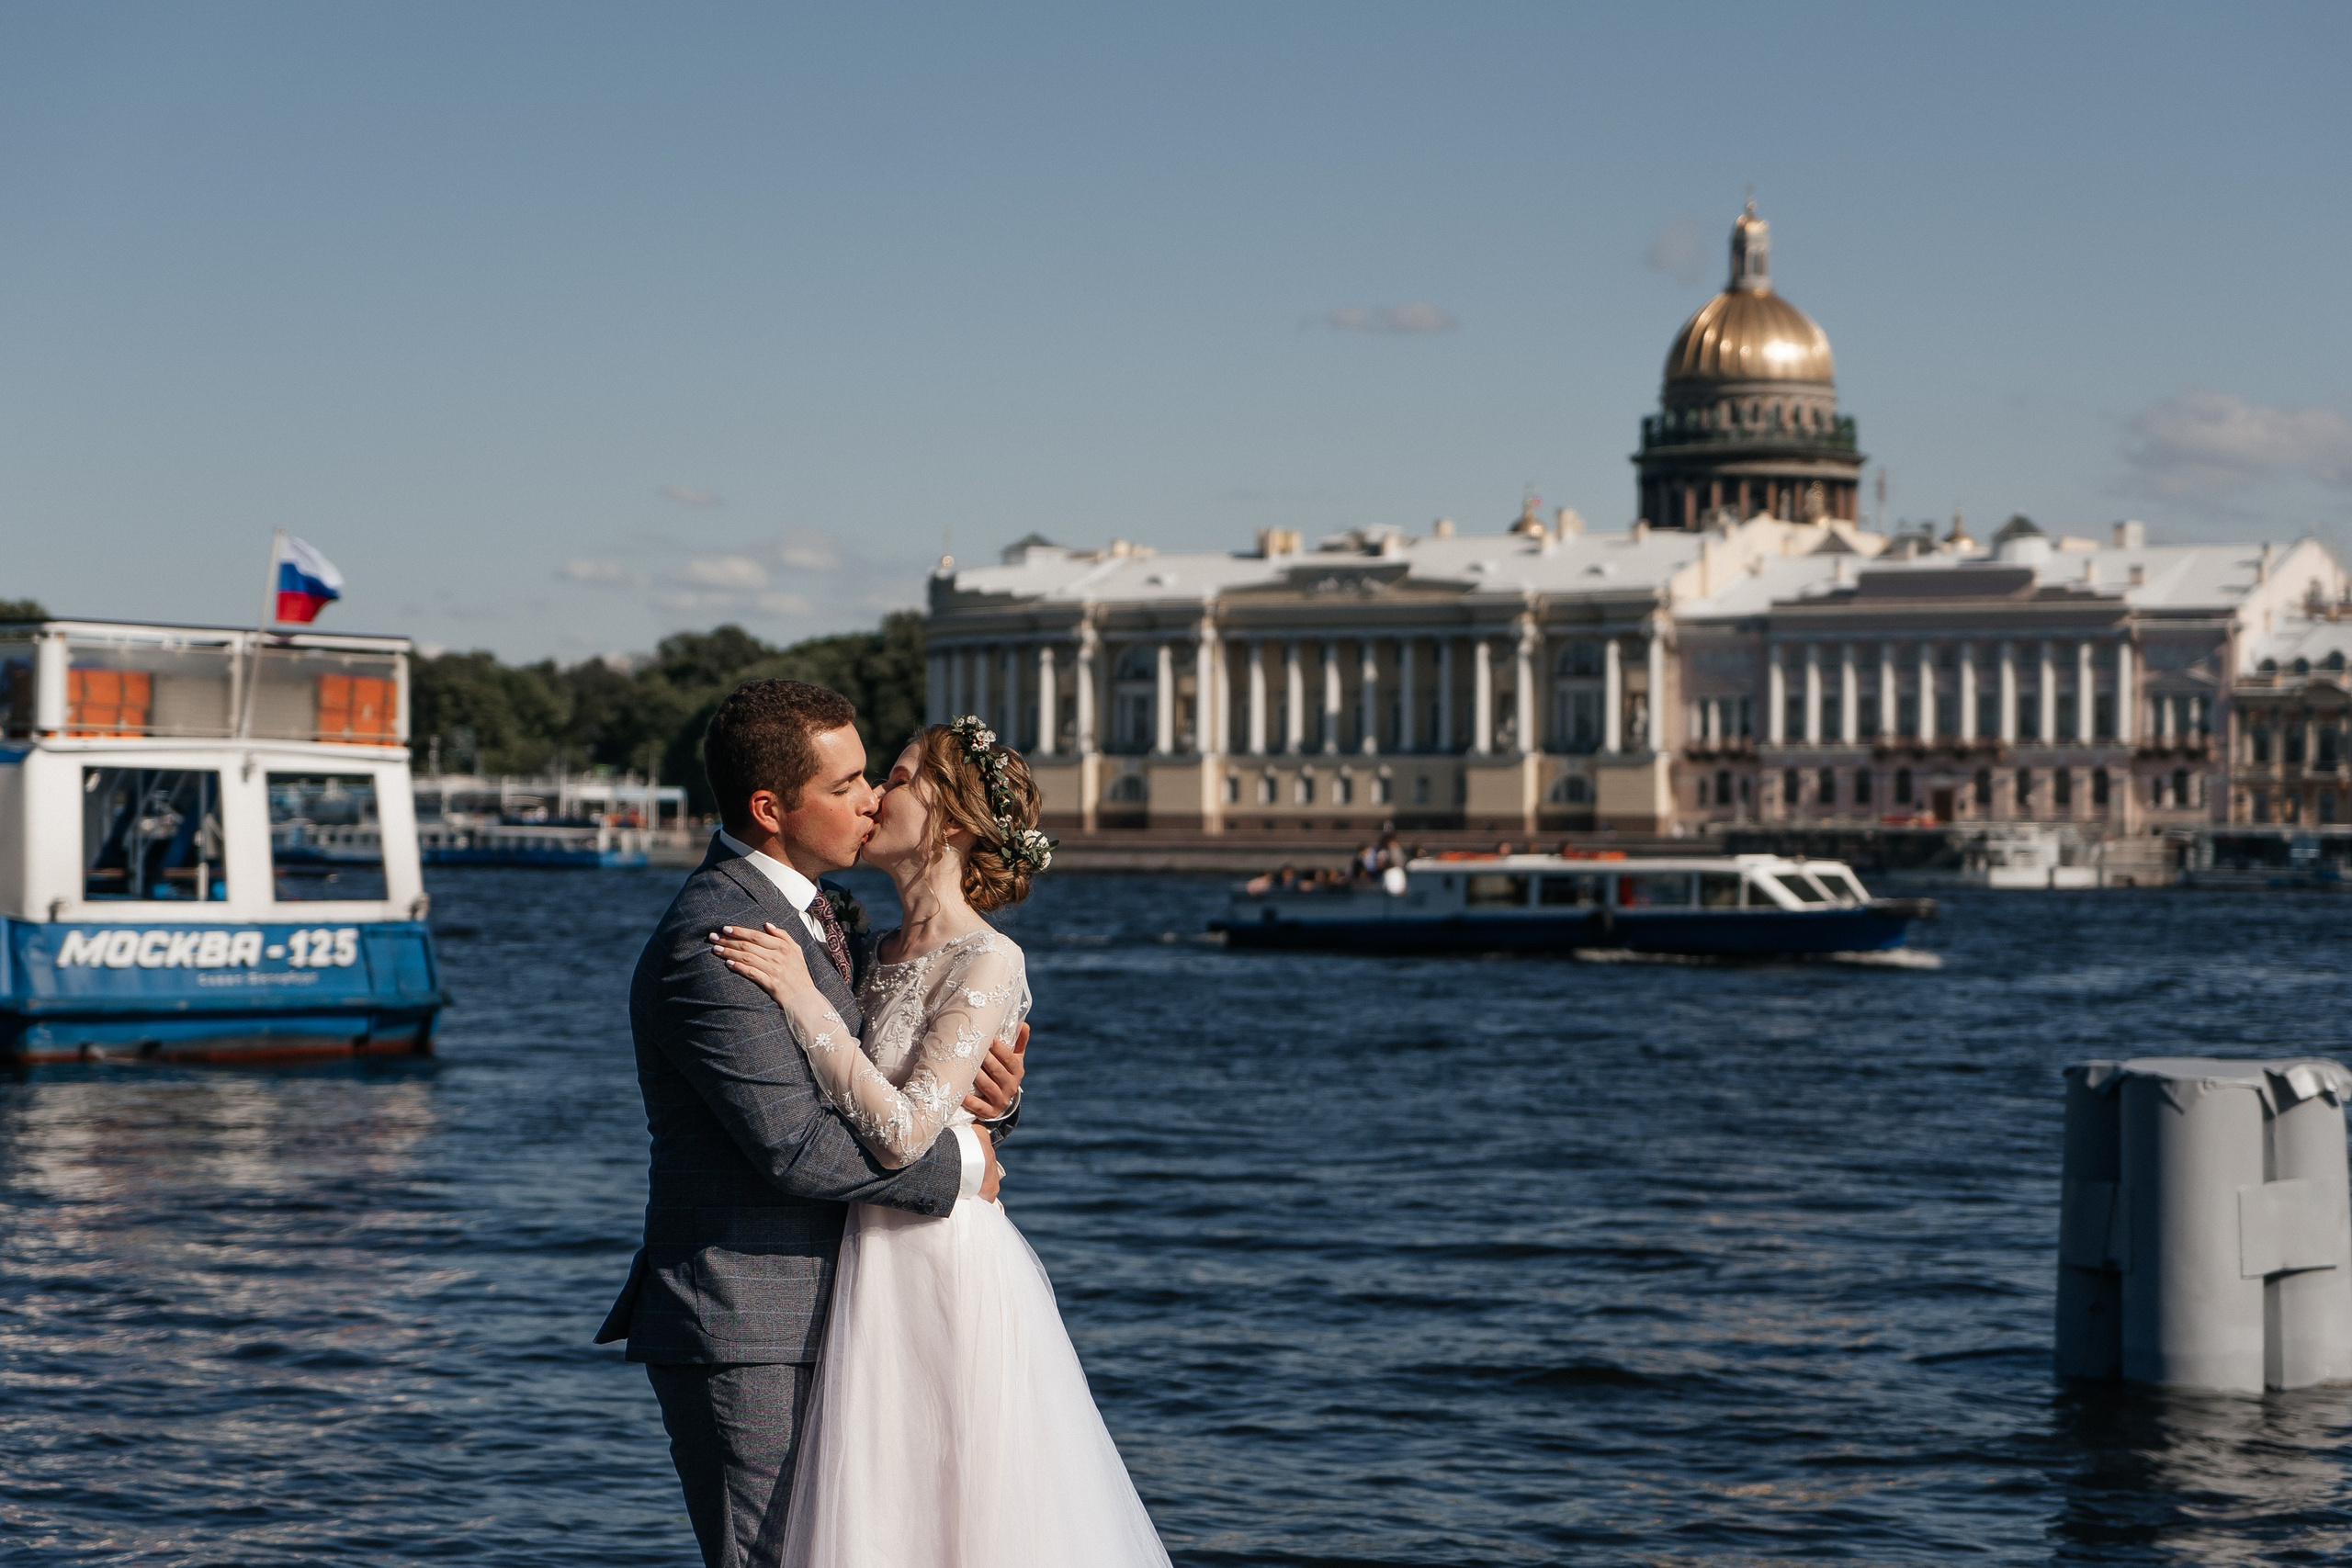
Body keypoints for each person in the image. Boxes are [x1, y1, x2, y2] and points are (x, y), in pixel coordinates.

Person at [711, 716, 1170, 1567]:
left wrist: (802, 1001)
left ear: (953, 818)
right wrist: (987, 1116)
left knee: (966, 1510)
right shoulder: (864, 945)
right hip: (862, 1260)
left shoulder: (988, 958)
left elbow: (905, 1130)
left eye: (896, 774)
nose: (875, 794)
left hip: (939, 1261)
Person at [596, 682, 1029, 1568]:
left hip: (857, 1311)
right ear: (771, 808)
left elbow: (894, 1087)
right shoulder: (714, 938)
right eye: (850, 783)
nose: (872, 798)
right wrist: (959, 1171)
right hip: (751, 1325)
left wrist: (995, 1103)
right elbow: (797, 1147)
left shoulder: (838, 921)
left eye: (880, 776)